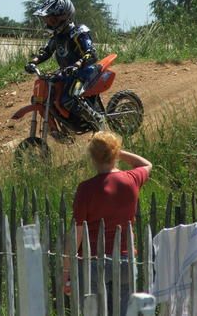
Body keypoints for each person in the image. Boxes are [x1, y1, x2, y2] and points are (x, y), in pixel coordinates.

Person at [64, 131, 152, 314]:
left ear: (92, 157)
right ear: (115, 154)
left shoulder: (85, 189)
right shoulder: (131, 180)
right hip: (125, 258)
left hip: (93, 261)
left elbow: (78, 232)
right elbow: (146, 164)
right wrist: (117, 151)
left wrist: (66, 271)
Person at [25, 0, 104, 130]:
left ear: (63, 16)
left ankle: (97, 120)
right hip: (67, 73)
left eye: (52, 19)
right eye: (47, 19)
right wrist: (33, 62)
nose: (48, 23)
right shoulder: (57, 36)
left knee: (68, 99)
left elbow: (91, 53)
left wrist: (78, 65)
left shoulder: (79, 32)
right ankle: (61, 129)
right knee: (44, 97)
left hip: (84, 73)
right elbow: (46, 51)